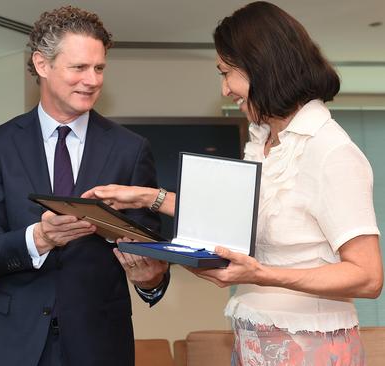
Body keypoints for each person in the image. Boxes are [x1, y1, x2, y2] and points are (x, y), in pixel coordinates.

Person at [84, 2, 383, 364]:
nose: (225, 89)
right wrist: (149, 197)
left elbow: (367, 276)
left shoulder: (330, 151)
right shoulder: (264, 142)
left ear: (262, 68)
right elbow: (237, 219)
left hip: (311, 347)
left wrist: (263, 274)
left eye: (227, 73)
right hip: (254, 339)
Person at [0, 6, 169, 366]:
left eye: (99, 68)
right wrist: (40, 238)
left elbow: (151, 254)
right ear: (42, 65)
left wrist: (150, 278)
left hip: (101, 344)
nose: (92, 80)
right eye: (79, 68)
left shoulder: (131, 149)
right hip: (13, 344)